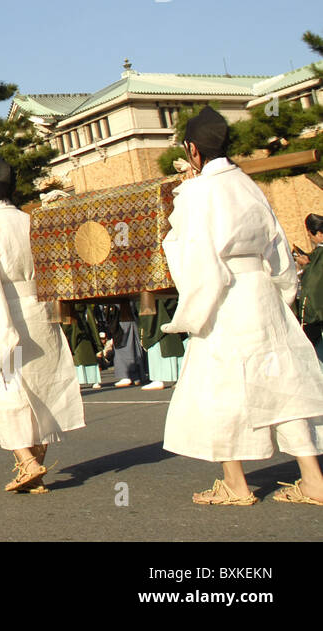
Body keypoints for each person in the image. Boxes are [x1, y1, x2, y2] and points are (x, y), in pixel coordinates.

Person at [160, 107, 323, 506]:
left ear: (191, 150)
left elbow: (197, 260)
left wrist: (191, 315)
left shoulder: (195, 194)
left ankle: (236, 483)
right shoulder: (249, 187)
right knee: (285, 384)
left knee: (220, 387)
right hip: (262, 292)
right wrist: (282, 295)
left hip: (224, 297)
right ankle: (314, 479)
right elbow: (278, 249)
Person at [0, 151, 85, 494]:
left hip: (1, 313)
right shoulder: (32, 222)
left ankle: (28, 461)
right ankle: (36, 454)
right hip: (38, 310)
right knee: (41, 385)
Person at [293, 213, 323, 362]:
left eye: (310, 235)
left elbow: (313, 285)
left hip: (317, 320)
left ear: (317, 234)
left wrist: (305, 267)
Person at [62, 303, 104, 389]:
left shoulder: (67, 309)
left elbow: (66, 328)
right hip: (86, 336)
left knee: (78, 361)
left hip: (75, 337)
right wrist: (98, 345)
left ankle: (79, 381)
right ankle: (95, 381)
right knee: (89, 359)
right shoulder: (85, 307)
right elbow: (92, 325)